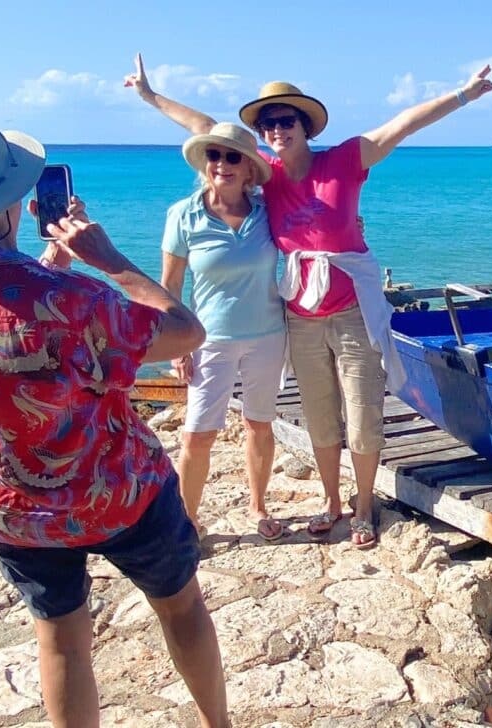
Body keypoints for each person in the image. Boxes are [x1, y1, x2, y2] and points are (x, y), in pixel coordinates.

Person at [0, 107, 230, 728]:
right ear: (13, 198)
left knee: (62, 641)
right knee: (180, 609)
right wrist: (110, 259)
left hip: (10, 505)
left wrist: (48, 272)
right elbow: (187, 332)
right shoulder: (77, 301)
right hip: (121, 491)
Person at [127, 53, 492, 548]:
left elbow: (402, 125)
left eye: (286, 120)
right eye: (268, 123)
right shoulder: (267, 177)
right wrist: (151, 97)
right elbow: (206, 131)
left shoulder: (343, 160)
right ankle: (332, 503)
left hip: (351, 312)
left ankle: (364, 508)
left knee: (363, 413)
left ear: (305, 126)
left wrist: (464, 95)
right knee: (321, 416)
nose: (277, 129)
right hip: (298, 314)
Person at [162, 122, 287, 539]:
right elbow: (171, 286)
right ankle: (186, 523)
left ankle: (257, 506)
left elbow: (314, 228)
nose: (223, 164)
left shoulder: (268, 211)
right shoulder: (184, 214)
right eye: (215, 155)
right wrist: (177, 347)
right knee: (198, 435)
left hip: (269, 336)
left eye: (234, 157)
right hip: (208, 340)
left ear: (250, 168)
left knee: (260, 425)